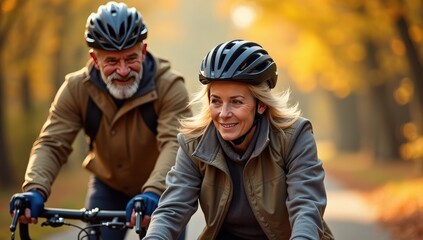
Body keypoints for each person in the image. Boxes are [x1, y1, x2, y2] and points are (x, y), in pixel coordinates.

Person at [9, 1, 191, 239]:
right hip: (108, 186)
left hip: (160, 189)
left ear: (143, 51)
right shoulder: (76, 89)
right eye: (112, 61)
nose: (124, 70)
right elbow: (52, 142)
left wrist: (155, 191)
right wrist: (35, 189)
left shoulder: (170, 86)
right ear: (95, 59)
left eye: (131, 58)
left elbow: (174, 144)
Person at [143, 39, 335, 240]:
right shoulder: (194, 144)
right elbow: (171, 209)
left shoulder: (294, 136)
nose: (224, 113)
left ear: (261, 105)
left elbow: (306, 206)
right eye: (216, 101)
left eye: (236, 102)